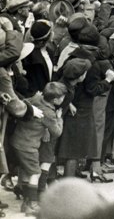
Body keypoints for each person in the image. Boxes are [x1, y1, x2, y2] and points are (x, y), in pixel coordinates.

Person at [10, 81, 67, 215]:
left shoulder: (36, 98)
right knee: (35, 173)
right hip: (29, 145)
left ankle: (26, 203)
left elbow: (23, 102)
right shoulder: (49, 113)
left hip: (17, 140)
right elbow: (57, 132)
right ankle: (32, 205)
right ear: (55, 99)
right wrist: (60, 119)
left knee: (26, 170)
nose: (64, 99)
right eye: (62, 97)